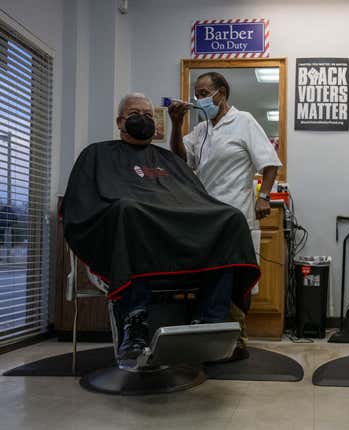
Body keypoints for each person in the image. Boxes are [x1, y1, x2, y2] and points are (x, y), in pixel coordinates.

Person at [61, 93, 260, 360]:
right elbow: (81, 207)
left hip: (177, 245)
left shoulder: (169, 160)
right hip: (132, 239)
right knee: (129, 210)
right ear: (120, 122)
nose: (142, 119)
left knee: (230, 217)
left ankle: (211, 320)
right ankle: (135, 323)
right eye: (134, 114)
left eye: (147, 115)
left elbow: (195, 200)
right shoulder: (97, 154)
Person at [168, 72, 282, 359]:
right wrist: (175, 124)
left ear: (222, 93)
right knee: (209, 274)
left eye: (205, 92)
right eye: (197, 93)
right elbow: (182, 160)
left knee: (233, 275)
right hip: (205, 215)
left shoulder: (243, 121)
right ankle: (213, 334)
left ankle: (234, 337)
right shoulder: (202, 128)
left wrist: (264, 197)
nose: (200, 98)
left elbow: (269, 164)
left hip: (235, 213)